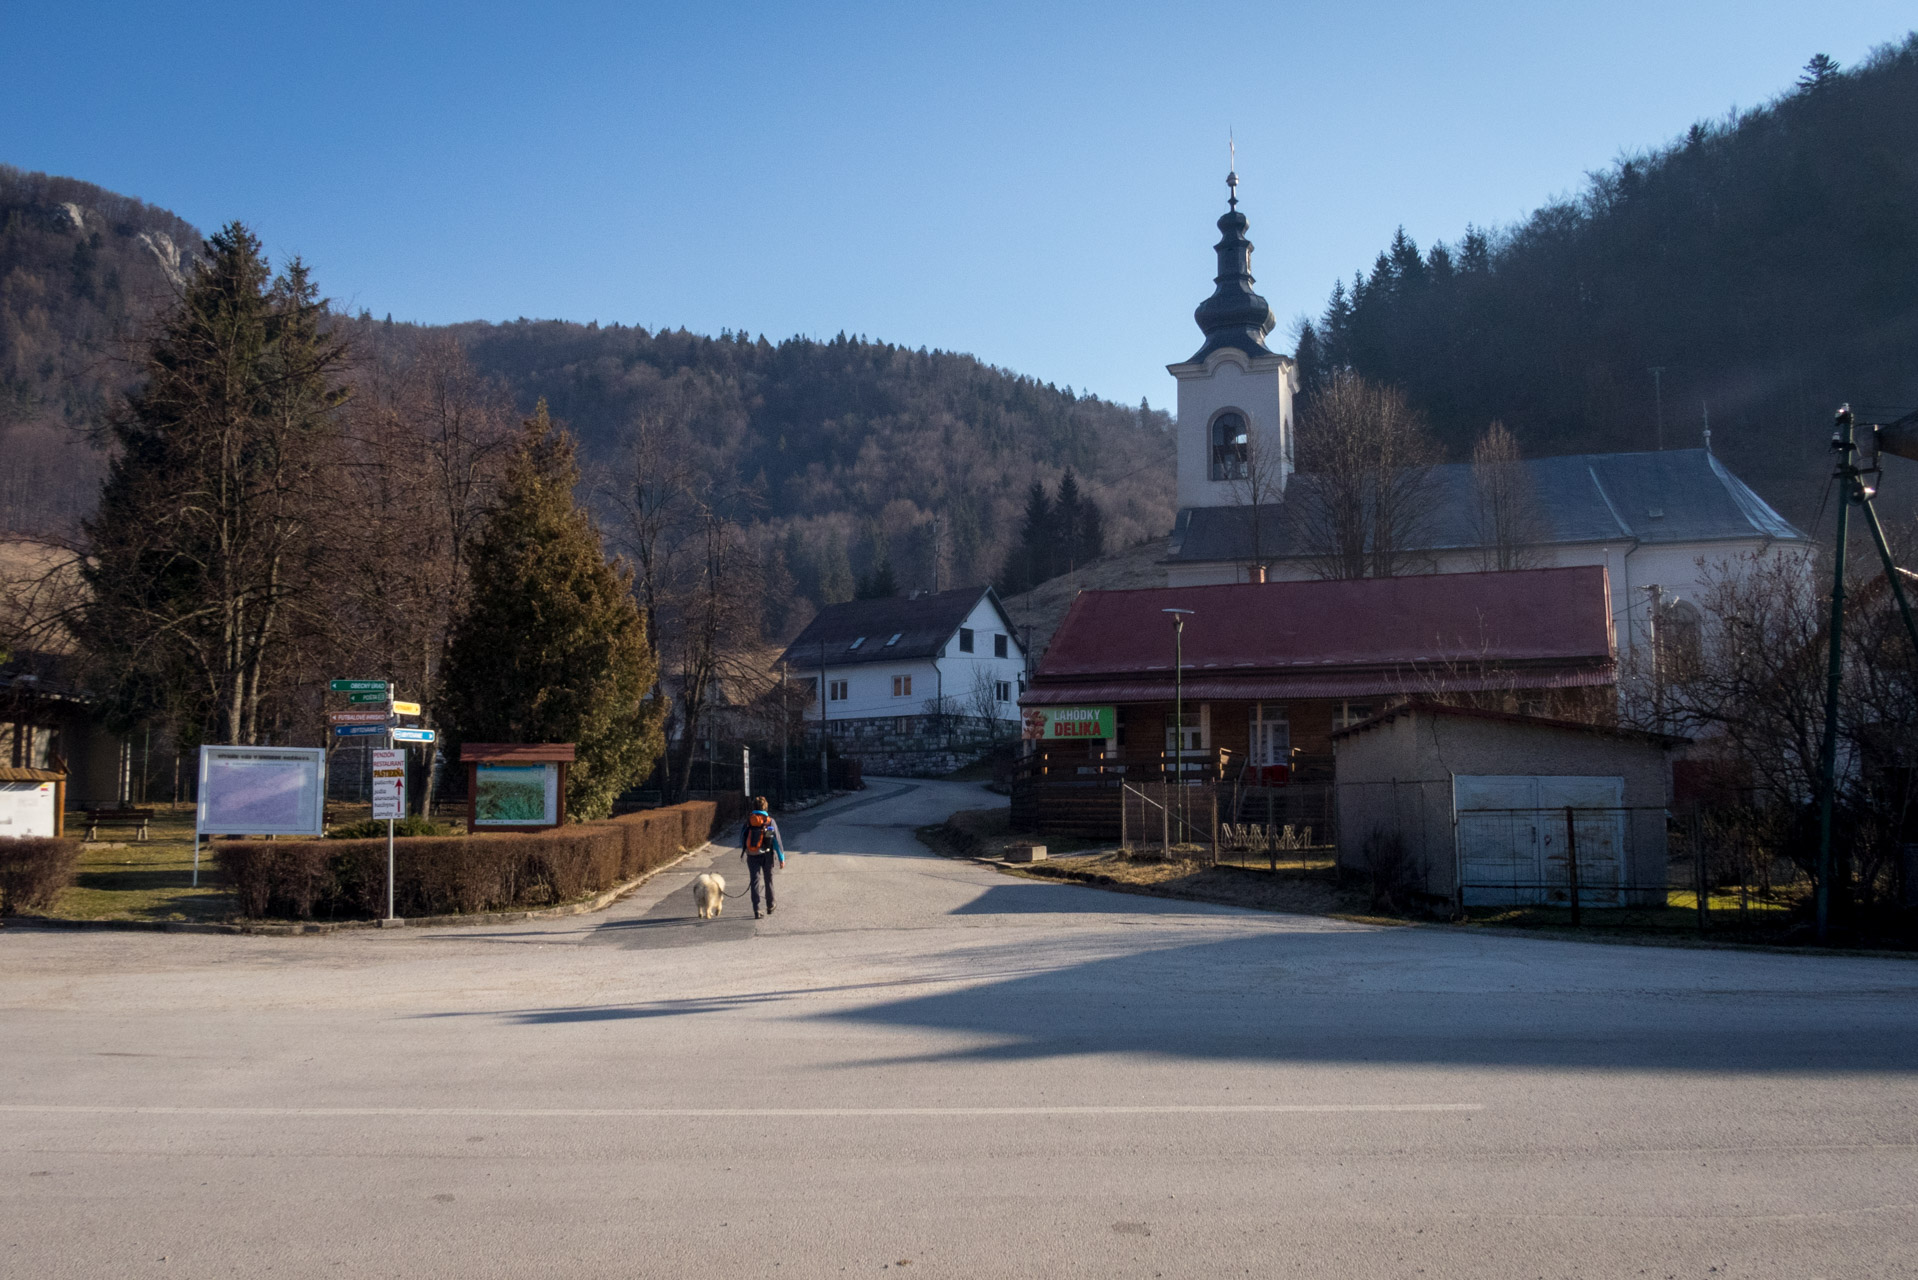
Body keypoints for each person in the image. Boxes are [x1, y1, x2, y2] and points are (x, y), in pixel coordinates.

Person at [739, 796, 785, 919]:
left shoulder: (749, 821)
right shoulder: (769, 821)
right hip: (766, 855)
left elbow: (742, 838)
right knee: (768, 880)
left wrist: (747, 850)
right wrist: (781, 858)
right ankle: (770, 905)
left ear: (754, 806)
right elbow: (775, 840)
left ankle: (757, 909)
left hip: (752, 855)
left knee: (754, 881)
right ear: (765, 807)